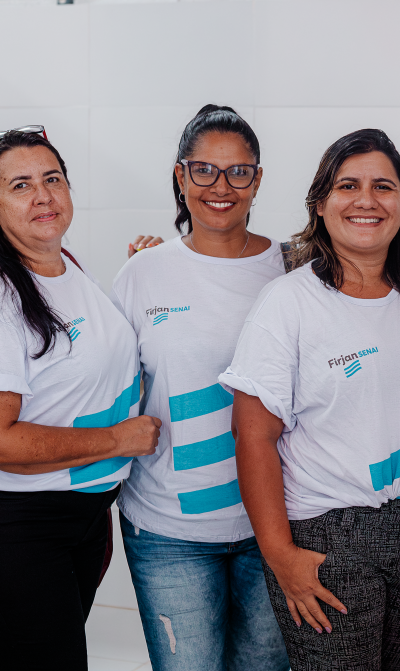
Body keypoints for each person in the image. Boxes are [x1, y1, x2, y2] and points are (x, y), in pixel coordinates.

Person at [221, 128, 400, 671]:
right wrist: (280, 555)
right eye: (348, 185)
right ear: (321, 205)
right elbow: (252, 435)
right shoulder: (288, 303)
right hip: (326, 535)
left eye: (383, 187)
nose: (366, 200)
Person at [0, 129, 159, 669]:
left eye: (52, 179)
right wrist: (117, 440)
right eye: (21, 185)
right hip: (6, 523)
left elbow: (86, 363)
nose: (43, 196)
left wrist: (140, 273)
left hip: (76, 515)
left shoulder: (63, 266)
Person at [110, 105, 289, 671]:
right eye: (204, 170)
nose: (221, 186)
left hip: (276, 525)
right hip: (168, 532)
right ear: (181, 176)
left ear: (257, 180)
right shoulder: (142, 273)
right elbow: (106, 383)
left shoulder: (294, 270)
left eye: (239, 171)